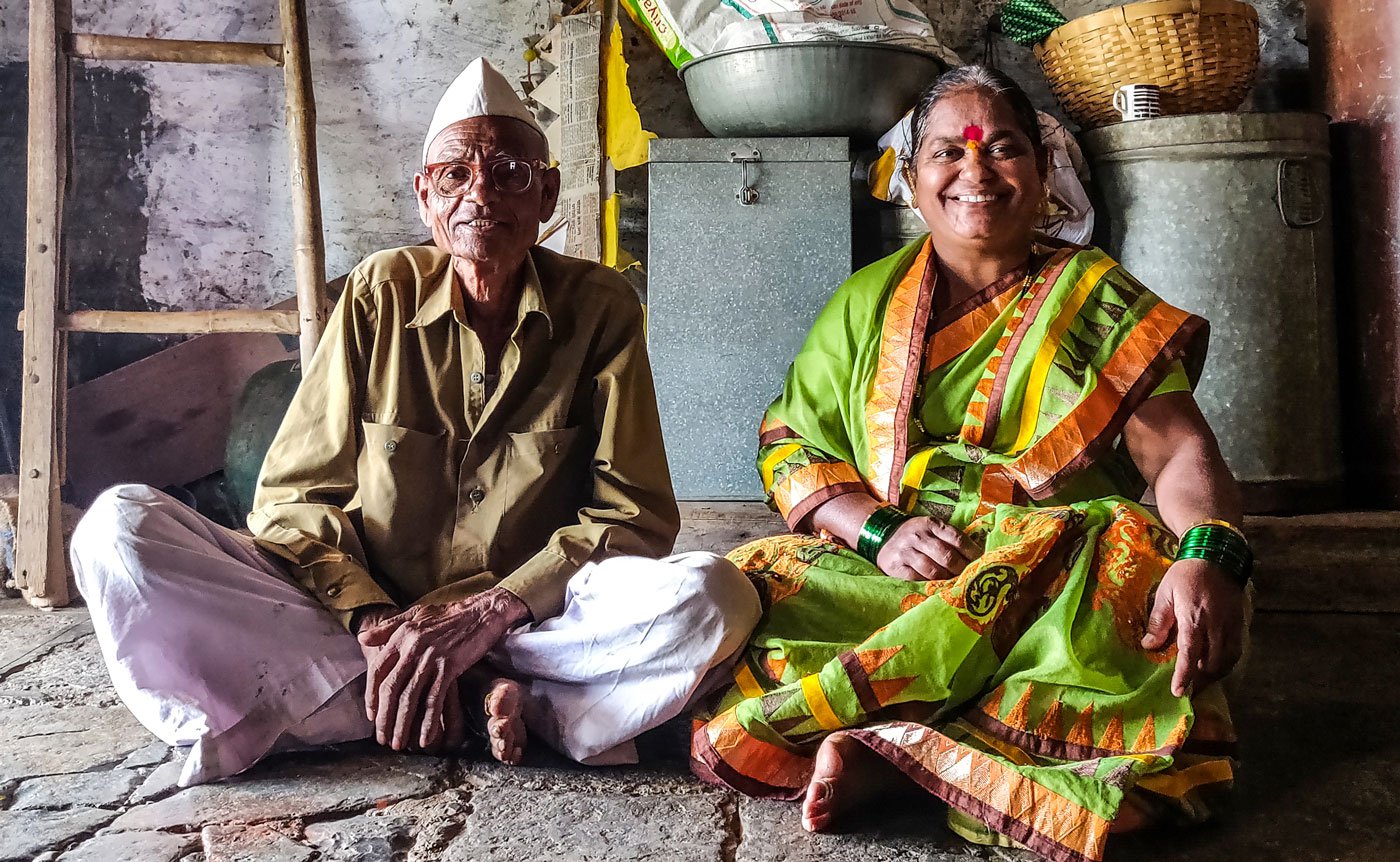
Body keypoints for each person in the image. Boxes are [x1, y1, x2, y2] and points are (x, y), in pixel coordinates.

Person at [72, 57, 759, 788]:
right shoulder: (379, 293)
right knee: (116, 530)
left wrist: (492, 612)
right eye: (456, 175)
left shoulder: (600, 306)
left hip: (533, 625)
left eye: (509, 173)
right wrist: (374, 624)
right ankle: (477, 701)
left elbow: (634, 515)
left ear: (548, 193)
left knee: (716, 596)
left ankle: (362, 705)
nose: (481, 195)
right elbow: (295, 499)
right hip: (361, 622)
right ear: (426, 198)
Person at [690, 65, 1249, 862]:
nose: (976, 171)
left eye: (1006, 149)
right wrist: (878, 530)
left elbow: (1182, 451)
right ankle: (912, 752)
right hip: (899, 576)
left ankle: (893, 756)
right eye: (948, 152)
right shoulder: (864, 302)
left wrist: (1210, 554)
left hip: (1054, 587)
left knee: (1141, 580)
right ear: (913, 180)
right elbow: (790, 444)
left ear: (1046, 174)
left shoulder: (1096, 295)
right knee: (748, 586)